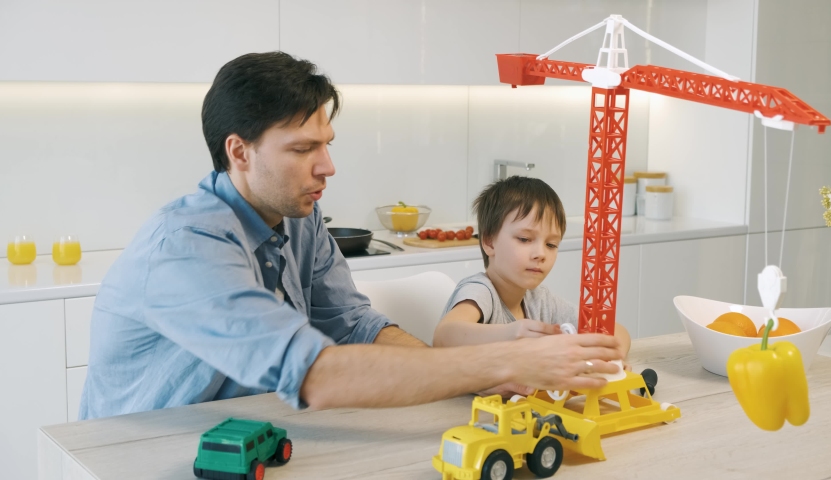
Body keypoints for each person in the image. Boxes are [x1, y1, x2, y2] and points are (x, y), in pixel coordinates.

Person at [79, 52, 624, 420]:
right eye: (302, 150)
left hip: (255, 430)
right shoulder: (187, 246)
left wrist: (472, 378)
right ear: (238, 152)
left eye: (326, 143)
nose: (328, 167)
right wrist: (500, 363)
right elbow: (313, 373)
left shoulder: (300, 218)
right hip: (137, 454)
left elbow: (356, 325)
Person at [432, 176, 631, 373]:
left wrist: (610, 358)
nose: (541, 254)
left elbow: (615, 331)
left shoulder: (540, 300)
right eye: (525, 239)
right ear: (490, 242)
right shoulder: (480, 291)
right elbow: (444, 336)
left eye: (551, 244)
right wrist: (510, 334)